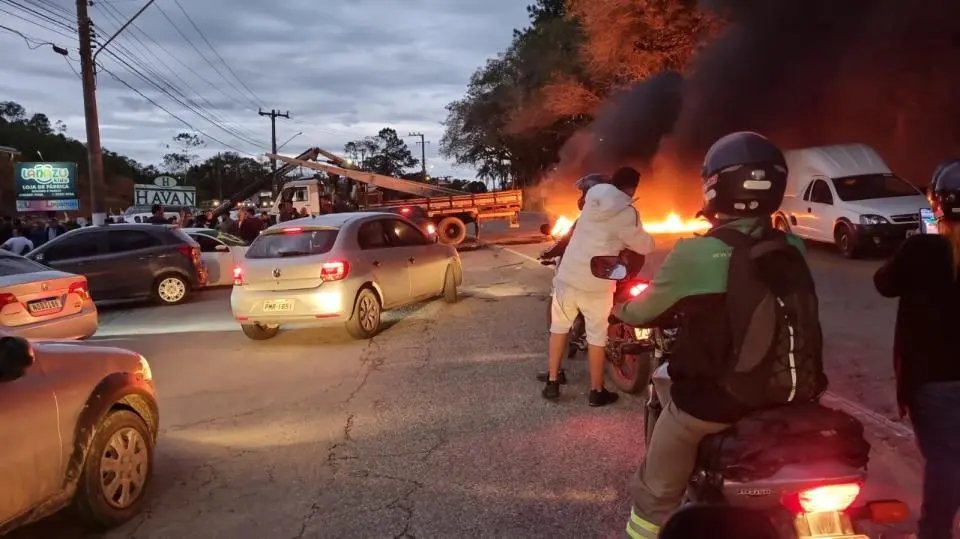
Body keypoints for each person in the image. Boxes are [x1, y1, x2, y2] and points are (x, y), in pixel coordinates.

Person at [614, 132, 820, 538]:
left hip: (719, 402)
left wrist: (616, 304)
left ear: (713, 186)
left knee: (654, 492)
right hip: (793, 393)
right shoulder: (793, 245)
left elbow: (643, 311)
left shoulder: (697, 253)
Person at [874, 159, 960, 539]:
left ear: (938, 204)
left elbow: (884, 283)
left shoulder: (922, 249)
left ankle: (934, 533)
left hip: (933, 379)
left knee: (945, 460)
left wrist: (920, 237)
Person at [542, 166, 655, 406]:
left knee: (559, 328)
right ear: (633, 188)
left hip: (568, 276)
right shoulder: (628, 213)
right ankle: (596, 391)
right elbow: (643, 246)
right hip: (598, 282)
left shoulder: (592, 199)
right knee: (597, 337)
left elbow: (570, 233)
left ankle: (552, 382)